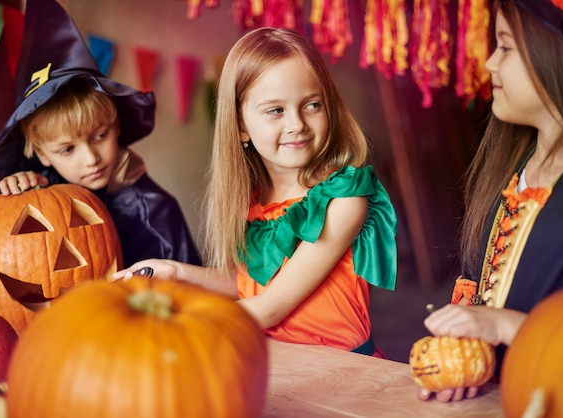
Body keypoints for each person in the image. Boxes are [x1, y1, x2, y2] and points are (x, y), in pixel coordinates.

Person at [114, 27, 398, 357]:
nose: (297, 124)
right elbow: (250, 285)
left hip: (345, 374)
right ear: (240, 126)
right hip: (277, 366)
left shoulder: (343, 200)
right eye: (275, 110)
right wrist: (173, 271)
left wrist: (178, 321)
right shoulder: (253, 201)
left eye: (312, 104)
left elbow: (269, 307)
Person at [418, 0, 563, 402]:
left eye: (506, 46)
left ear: (562, 55)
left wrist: (509, 327)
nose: (490, 63)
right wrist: (467, 356)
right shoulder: (511, 168)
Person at [0, 0, 202, 268]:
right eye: (67, 149)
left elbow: (190, 296)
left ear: (117, 125)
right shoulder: (43, 186)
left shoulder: (156, 211)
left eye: (100, 136)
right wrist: (25, 191)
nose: (91, 159)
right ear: (42, 154)